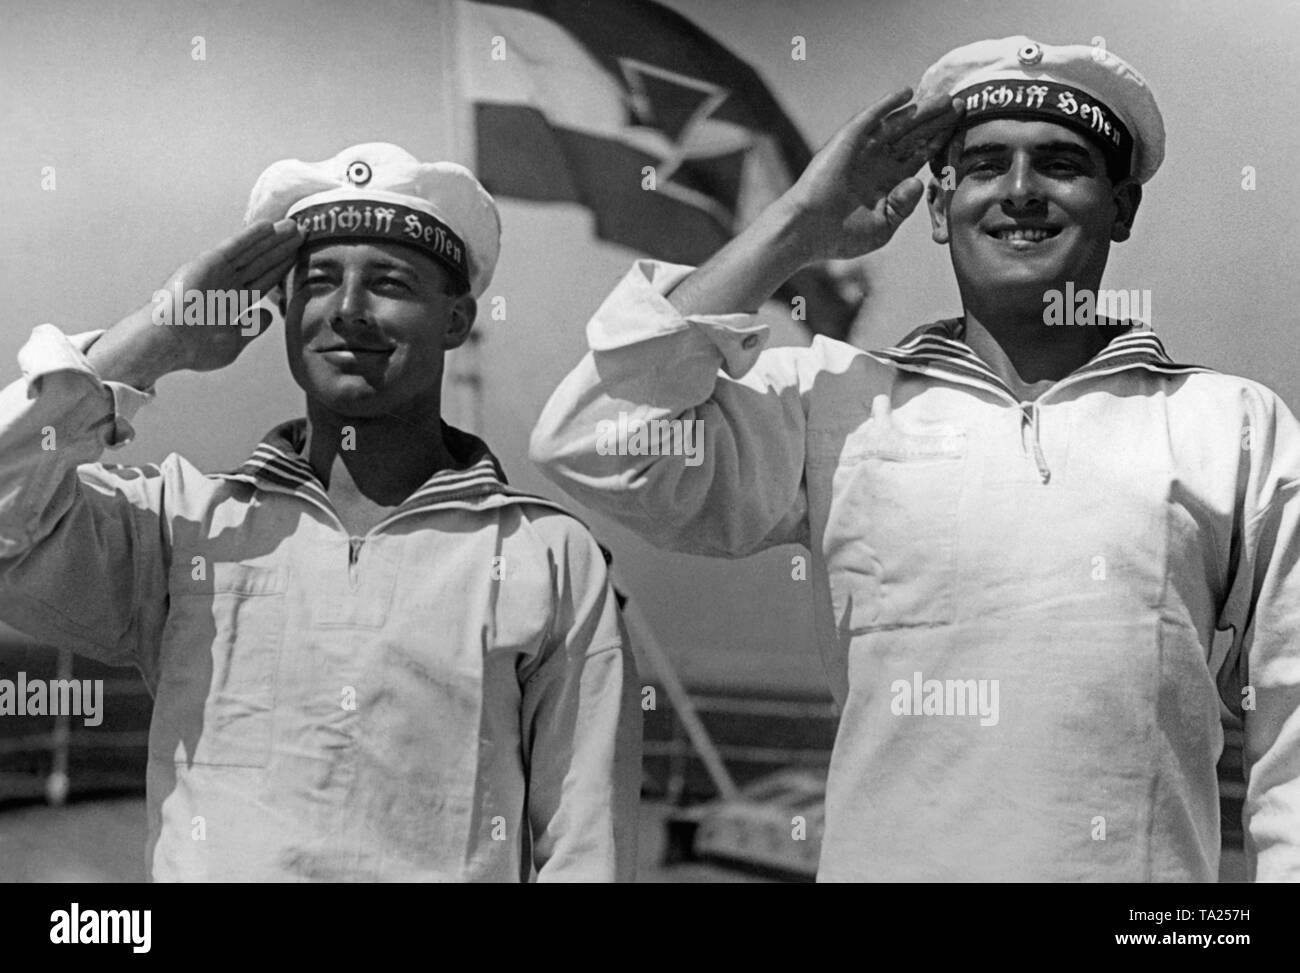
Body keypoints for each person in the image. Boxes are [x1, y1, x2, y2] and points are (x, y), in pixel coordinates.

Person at [530, 37, 1300, 881]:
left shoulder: (1230, 425)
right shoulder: (833, 400)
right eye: (983, 166)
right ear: (938, 207)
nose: (1019, 192)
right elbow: (598, 438)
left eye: (1060, 163)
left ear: (1121, 207)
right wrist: (797, 228)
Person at [0, 142, 640, 881]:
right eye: (320, 281)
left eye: (391, 282)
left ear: (457, 318)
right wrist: (156, 340)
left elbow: (586, 850)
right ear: (283, 310)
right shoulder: (185, 526)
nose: (348, 311)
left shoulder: (548, 557)